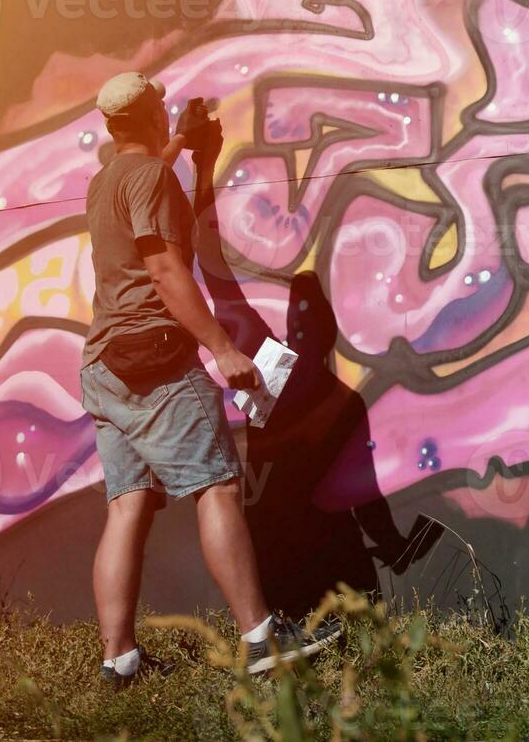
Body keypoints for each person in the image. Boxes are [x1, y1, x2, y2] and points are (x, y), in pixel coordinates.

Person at [80, 72, 341, 686]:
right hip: (157, 367)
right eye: (161, 107)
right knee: (218, 489)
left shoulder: (108, 180)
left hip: (104, 367)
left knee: (127, 505)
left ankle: (118, 660)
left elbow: (151, 175)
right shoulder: (147, 178)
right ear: (150, 112)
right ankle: (260, 642)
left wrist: (196, 155)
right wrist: (221, 349)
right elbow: (169, 271)